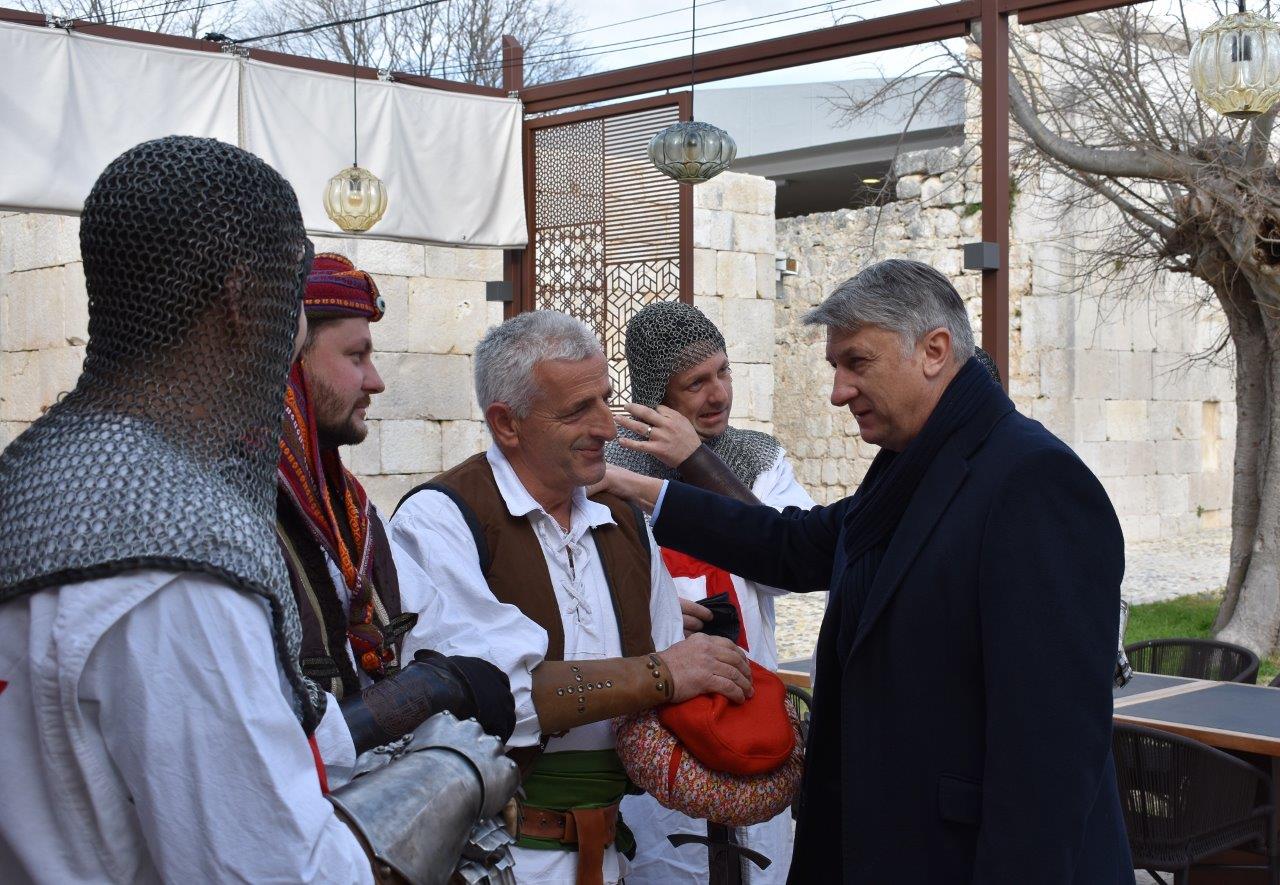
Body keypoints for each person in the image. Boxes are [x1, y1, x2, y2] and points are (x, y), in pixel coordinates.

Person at [0, 136, 514, 884]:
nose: (294, 330)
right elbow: (278, 868)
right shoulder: (172, 551)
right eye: (291, 302)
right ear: (246, 301)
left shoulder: (31, 486)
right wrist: (449, 774)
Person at [601, 259, 1133, 884]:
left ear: (933, 350)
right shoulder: (913, 461)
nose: (838, 391)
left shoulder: (1034, 482)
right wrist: (646, 492)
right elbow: (795, 546)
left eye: (857, 363)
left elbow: (1050, 755)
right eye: (835, 367)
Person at [389, 310, 755, 885]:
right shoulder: (440, 521)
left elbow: (668, 690)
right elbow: (491, 699)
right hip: (490, 859)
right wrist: (661, 673)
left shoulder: (623, 522)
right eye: (577, 410)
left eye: (605, 400)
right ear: (506, 424)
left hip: (613, 852)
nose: (608, 427)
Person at [278, 253, 520, 777]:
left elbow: (464, 640)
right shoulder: (243, 519)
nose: (376, 380)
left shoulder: (354, 514)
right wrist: (425, 689)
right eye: (357, 356)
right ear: (294, 362)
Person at [603, 300, 816, 884]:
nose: (717, 393)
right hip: (663, 726)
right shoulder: (609, 470)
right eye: (695, 382)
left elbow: (787, 562)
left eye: (723, 372)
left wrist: (696, 464)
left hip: (755, 714)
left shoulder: (759, 459)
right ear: (658, 394)